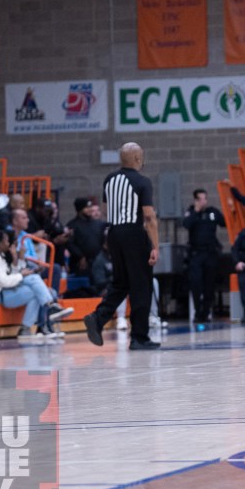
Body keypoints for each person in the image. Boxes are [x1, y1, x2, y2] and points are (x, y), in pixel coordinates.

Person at [82, 143, 160, 350]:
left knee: (121, 283)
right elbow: (149, 216)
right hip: (134, 233)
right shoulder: (143, 182)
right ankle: (139, 338)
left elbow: (109, 209)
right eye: (141, 156)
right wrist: (155, 245)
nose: (143, 160)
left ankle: (98, 318)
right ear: (136, 158)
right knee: (141, 286)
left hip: (114, 234)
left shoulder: (110, 180)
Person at [183, 189, 226, 324]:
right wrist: (196, 211)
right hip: (196, 254)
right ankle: (197, 311)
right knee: (196, 284)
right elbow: (186, 224)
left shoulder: (212, 212)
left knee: (209, 285)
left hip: (210, 253)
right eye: (201, 199)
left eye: (205, 199)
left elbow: (224, 223)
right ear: (196, 200)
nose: (204, 202)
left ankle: (205, 313)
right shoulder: (191, 212)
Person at [66, 197, 107, 277]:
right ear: (79, 209)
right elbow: (70, 244)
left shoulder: (99, 224)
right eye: (87, 207)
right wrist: (80, 256)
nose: (90, 209)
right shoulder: (72, 225)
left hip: (98, 261)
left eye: (90, 207)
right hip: (80, 264)